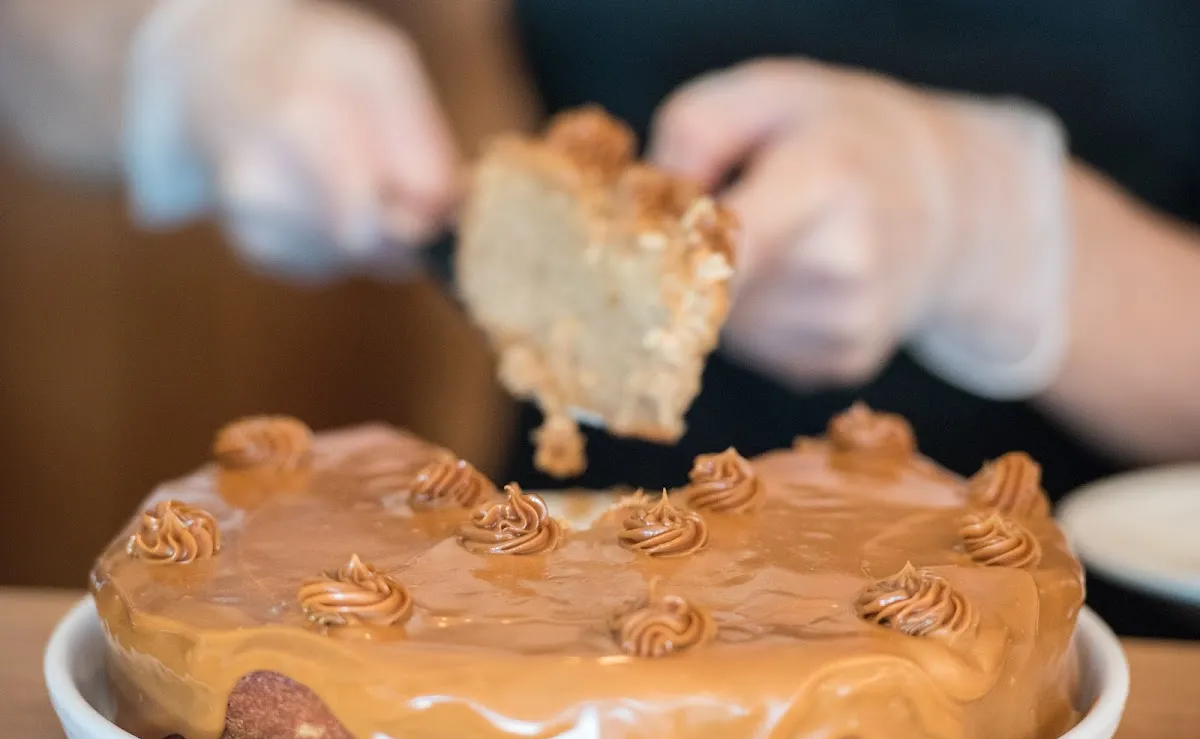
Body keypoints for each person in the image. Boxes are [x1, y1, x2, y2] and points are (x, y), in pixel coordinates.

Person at [3, 0, 1199, 634]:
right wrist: (193, 47)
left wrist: (1014, 239)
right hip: (558, 569)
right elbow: (34, 42)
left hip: (1114, 632)